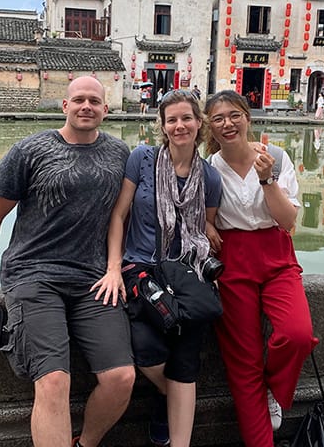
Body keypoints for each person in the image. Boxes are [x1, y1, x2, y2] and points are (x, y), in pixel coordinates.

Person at [0, 76, 135, 447]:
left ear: (106, 109)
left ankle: (84, 442)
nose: (86, 106)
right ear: (65, 106)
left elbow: (131, 213)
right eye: (78, 100)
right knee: (54, 380)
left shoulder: (121, 154)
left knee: (121, 377)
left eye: (94, 101)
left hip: (94, 279)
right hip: (33, 275)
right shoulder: (30, 150)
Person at [99, 89, 222, 447]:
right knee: (144, 348)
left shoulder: (210, 178)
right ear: (163, 126)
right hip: (141, 270)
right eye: (172, 120)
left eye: (187, 118)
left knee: (186, 357)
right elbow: (119, 214)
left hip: (186, 275)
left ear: (199, 124)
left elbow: (204, 229)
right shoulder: (142, 159)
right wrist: (112, 267)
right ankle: (170, 399)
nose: (179, 125)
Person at [204, 90, 316, 447]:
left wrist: (267, 180)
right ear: (210, 126)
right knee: (243, 363)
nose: (227, 123)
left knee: (297, 334)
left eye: (234, 115)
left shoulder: (277, 159)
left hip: (276, 256)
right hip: (232, 259)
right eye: (218, 118)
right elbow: (201, 219)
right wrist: (206, 227)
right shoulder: (208, 170)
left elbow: (287, 220)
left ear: (247, 117)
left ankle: (273, 388)